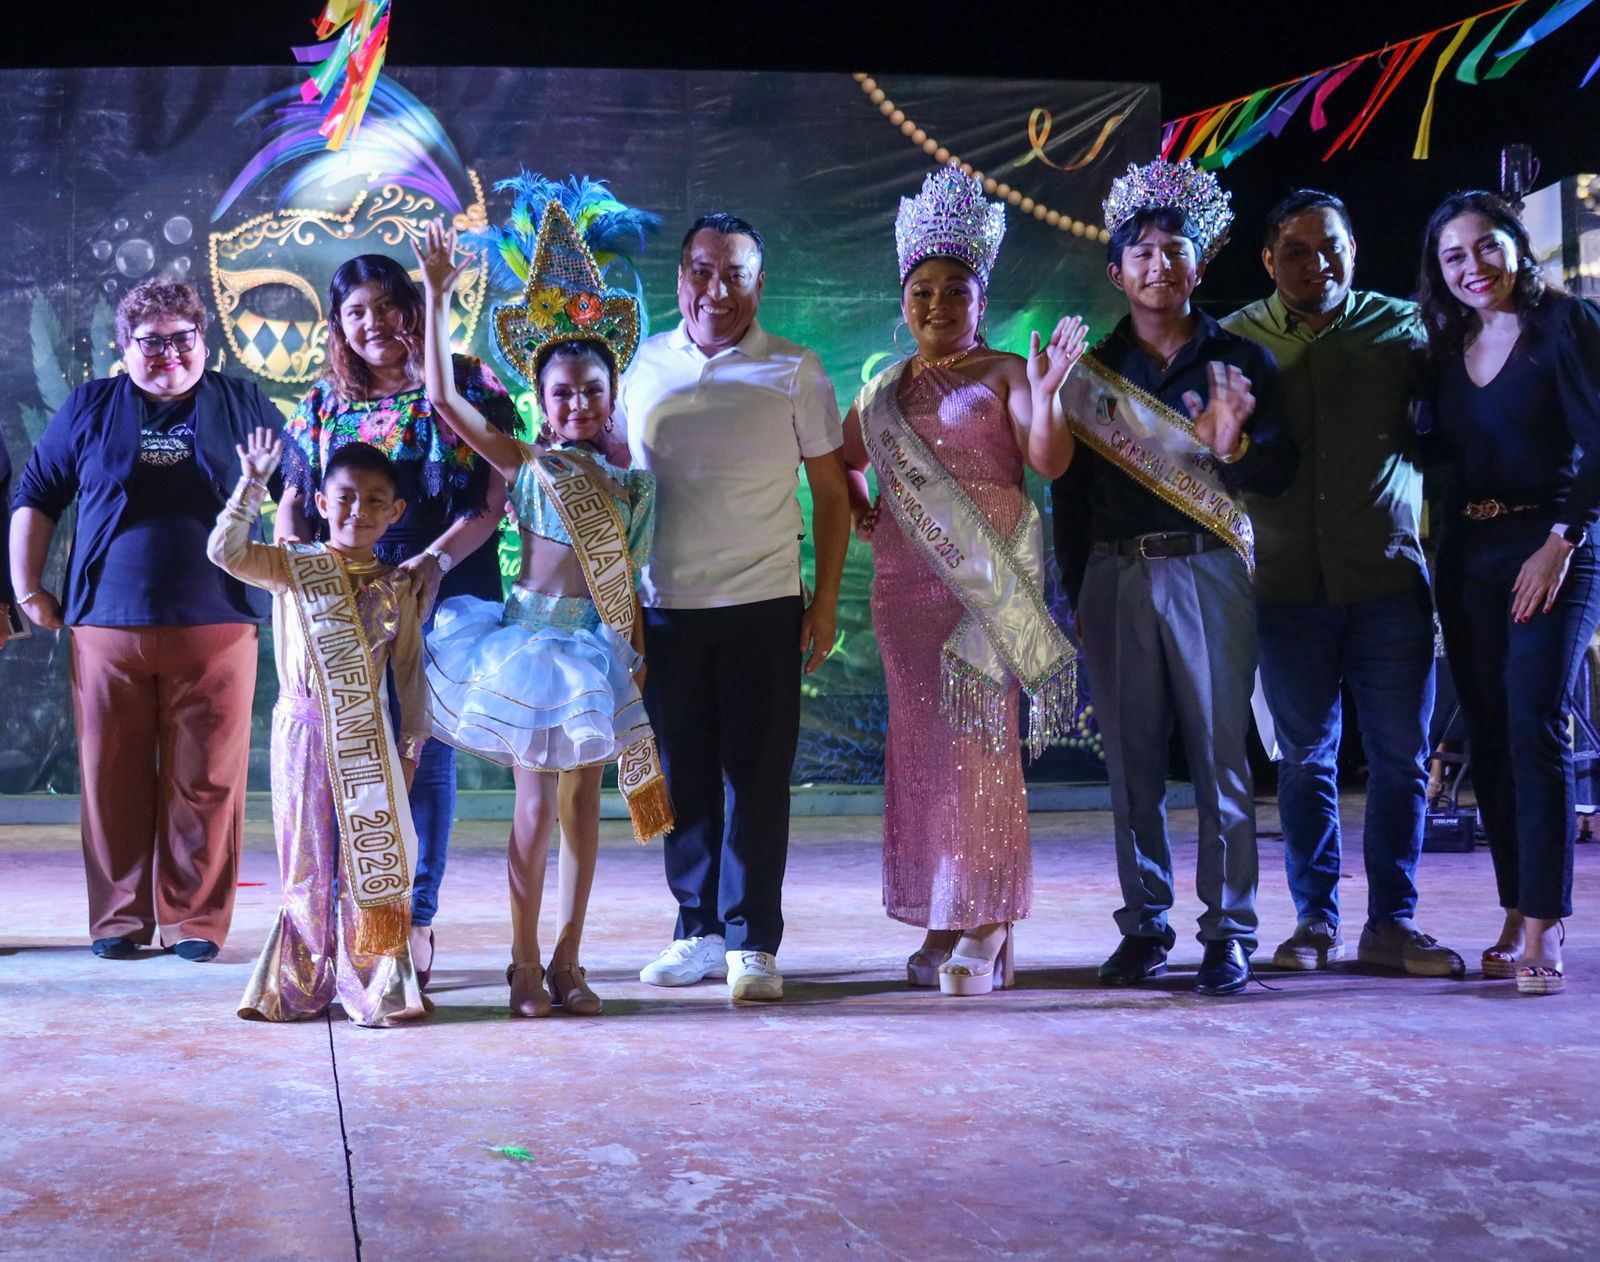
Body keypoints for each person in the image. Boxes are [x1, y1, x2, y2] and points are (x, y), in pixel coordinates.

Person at [413, 199, 671, 1018]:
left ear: (613, 394)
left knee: (582, 811)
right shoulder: (525, 463)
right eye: (563, 393)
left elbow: (634, 579)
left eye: (593, 391)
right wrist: (436, 295)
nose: (578, 405)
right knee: (532, 807)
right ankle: (522, 963)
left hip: (595, 655)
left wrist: (635, 657)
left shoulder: (634, 485)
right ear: (540, 397)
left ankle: (569, 959)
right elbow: (444, 401)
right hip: (528, 650)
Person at [1050, 159, 1297, 996]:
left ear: (1200, 262)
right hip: (1115, 576)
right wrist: (1080, 591)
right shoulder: (1092, 372)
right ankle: (1145, 925)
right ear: (1117, 272)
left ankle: (1229, 931)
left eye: (1175, 249)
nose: (1160, 264)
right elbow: (1068, 496)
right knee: (1131, 765)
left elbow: (1282, 471)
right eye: (1142, 252)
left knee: (1221, 758)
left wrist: (1236, 447)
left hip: (1208, 570)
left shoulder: (1242, 361)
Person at [840, 166, 1084, 995]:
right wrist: (863, 508)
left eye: (955, 290)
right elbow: (836, 459)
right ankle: (944, 913)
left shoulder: (1009, 371)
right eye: (922, 291)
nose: (937, 304)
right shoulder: (882, 391)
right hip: (903, 591)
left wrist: (1047, 394)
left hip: (984, 590)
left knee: (982, 749)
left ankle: (989, 922)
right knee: (923, 756)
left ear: (982, 299)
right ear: (903, 301)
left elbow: (1049, 460)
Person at [1222, 190, 1464, 978]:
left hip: (1388, 579)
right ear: (1268, 260)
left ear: (1353, 249)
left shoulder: (1406, 328)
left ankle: (1392, 922)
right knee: (1305, 761)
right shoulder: (1235, 338)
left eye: (1330, 247)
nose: (1316, 264)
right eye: (1295, 250)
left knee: (1401, 760)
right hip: (1284, 586)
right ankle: (1315, 922)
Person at [9, 279, 282, 962]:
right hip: (106, 623)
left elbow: (297, 490)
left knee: (207, 779)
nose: (169, 353)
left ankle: (195, 920)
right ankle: (119, 918)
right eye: (151, 342)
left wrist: (302, 580)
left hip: (218, 622)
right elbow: (37, 495)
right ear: (122, 347)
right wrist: (28, 589)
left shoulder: (243, 402)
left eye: (182, 339)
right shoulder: (90, 405)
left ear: (204, 342)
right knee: (111, 775)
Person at [622, 212, 850, 1002]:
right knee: (681, 778)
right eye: (702, 271)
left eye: (736, 275)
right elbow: (614, 486)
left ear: (760, 283)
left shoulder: (796, 369)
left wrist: (824, 600)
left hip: (764, 602)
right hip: (666, 607)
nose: (717, 290)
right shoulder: (641, 365)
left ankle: (753, 941)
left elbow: (832, 495)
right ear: (680, 275)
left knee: (756, 777)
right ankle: (697, 930)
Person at [276, 253, 516, 987]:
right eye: (357, 312)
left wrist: (430, 565)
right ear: (338, 325)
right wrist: (305, 581)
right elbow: (293, 509)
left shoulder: (465, 381)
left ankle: (413, 918)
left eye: (386, 304)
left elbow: (494, 498)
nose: (374, 323)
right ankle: (346, 920)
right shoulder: (323, 403)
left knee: (421, 751)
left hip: (444, 588)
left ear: (413, 305)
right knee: (345, 755)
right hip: (347, 603)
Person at [1417, 190, 1600, 996]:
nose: (1473, 266)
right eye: (1454, 255)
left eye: (1487, 246)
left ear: (1518, 247)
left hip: (1554, 545)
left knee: (1534, 723)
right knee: (1489, 733)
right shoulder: (1443, 343)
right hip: (1470, 554)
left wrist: (1561, 542)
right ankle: (1513, 907)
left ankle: (1545, 924)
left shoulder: (1566, 323)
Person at [212, 432, 432, 1027]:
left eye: (375, 500)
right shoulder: (293, 565)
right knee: (305, 863)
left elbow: (411, 678)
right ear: (321, 502)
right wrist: (251, 483)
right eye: (345, 497)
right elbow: (225, 551)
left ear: (395, 511)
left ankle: (374, 989)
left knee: (369, 865)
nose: (358, 510)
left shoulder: (397, 586)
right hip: (302, 731)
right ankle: (297, 986)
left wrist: (410, 750)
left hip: (368, 737)